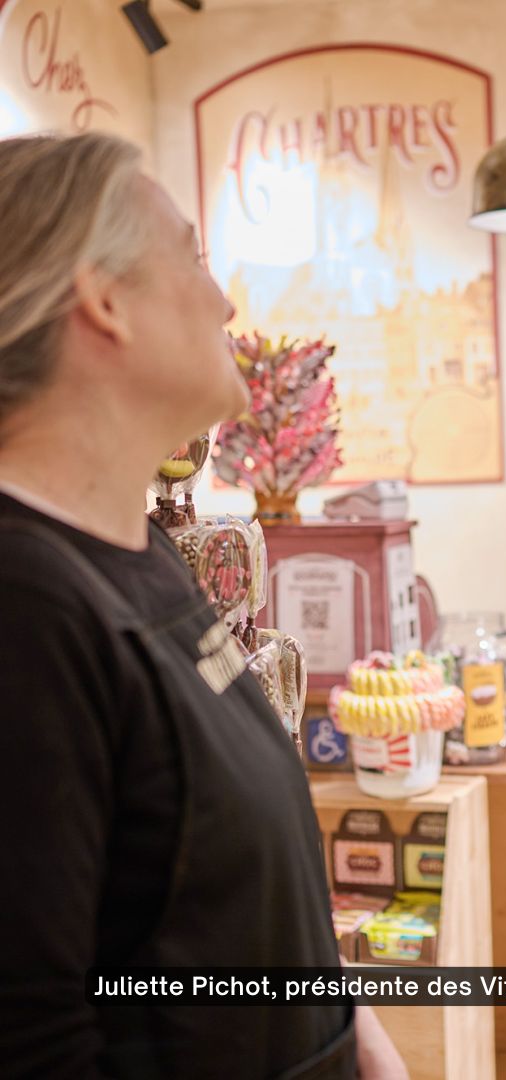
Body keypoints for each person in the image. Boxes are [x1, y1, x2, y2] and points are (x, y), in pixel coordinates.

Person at [0, 133, 403, 1075]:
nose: (223, 299)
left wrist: (359, 1040)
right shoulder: (26, 614)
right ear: (101, 299)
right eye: (191, 256)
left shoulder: (146, 561)